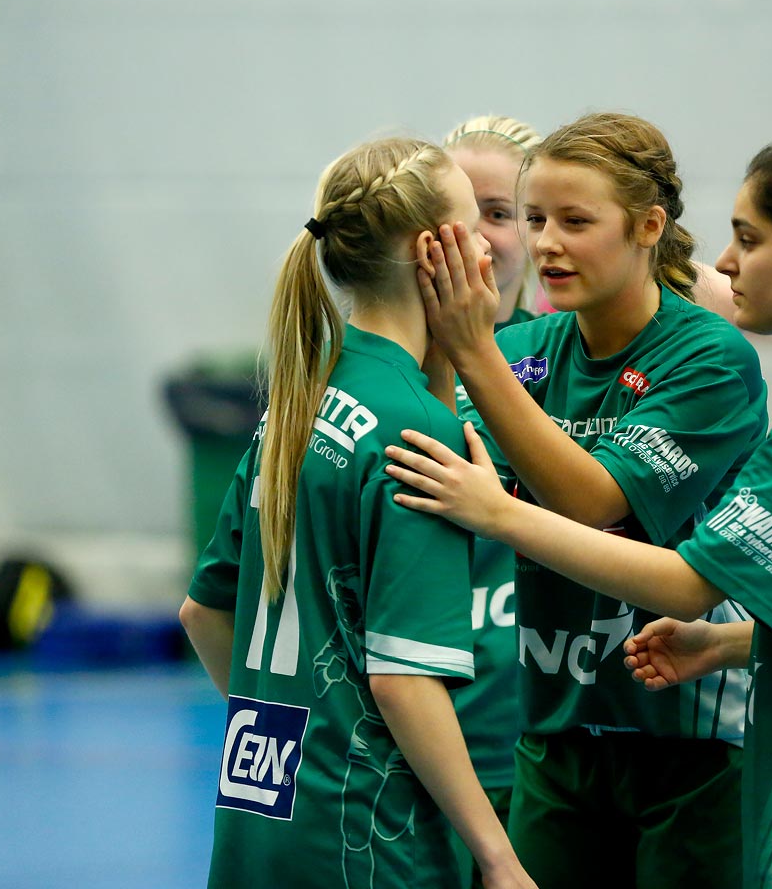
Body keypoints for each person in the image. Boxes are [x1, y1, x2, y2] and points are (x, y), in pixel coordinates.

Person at [388, 134, 772, 888]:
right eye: (529, 219)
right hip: (576, 721)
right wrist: (731, 643)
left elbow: (672, 569)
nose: (723, 265)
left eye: (748, 239)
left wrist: (499, 509)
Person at [415, 111, 768, 889]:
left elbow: (592, 503)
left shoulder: (709, 357)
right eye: (534, 218)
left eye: (575, 221)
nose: (545, 244)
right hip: (556, 726)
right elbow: (450, 458)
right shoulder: (522, 354)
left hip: (692, 735)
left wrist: (470, 350)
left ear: (648, 226)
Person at [178, 137, 534, 889]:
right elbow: (404, 679)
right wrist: (498, 859)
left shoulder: (297, 403)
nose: (492, 251)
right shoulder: (412, 430)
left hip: (258, 816)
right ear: (433, 249)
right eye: (476, 224)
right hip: (365, 831)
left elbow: (201, 614)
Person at [440, 114, 541, 885]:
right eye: (459, 211)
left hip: (542, 749)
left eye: (501, 214)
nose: (477, 235)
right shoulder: (385, 372)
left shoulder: (584, 359)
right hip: (423, 751)